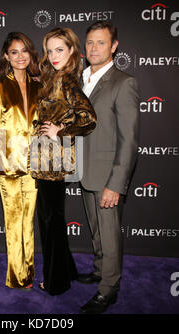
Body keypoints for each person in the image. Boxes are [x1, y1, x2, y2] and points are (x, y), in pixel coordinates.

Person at [78, 21, 140, 314]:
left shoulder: (123, 83)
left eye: (101, 43)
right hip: (85, 172)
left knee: (110, 235)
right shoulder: (81, 80)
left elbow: (128, 140)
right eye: (90, 42)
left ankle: (109, 289)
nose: (93, 48)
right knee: (96, 231)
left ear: (114, 46)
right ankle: (101, 270)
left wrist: (116, 183)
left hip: (107, 176)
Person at [30, 27, 97, 296]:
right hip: (45, 159)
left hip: (52, 161)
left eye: (60, 49)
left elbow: (88, 118)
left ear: (71, 51)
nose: (54, 55)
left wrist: (61, 130)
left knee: (50, 221)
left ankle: (56, 282)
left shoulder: (67, 79)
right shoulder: (54, 76)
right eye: (50, 50)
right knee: (52, 219)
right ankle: (66, 270)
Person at [0, 32, 41, 290]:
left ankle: (27, 273)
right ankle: (17, 276)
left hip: (35, 165)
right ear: (6, 56)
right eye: (14, 52)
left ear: (31, 54)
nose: (20, 56)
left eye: (24, 51)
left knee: (28, 221)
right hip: (8, 164)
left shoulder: (39, 86)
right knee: (13, 221)